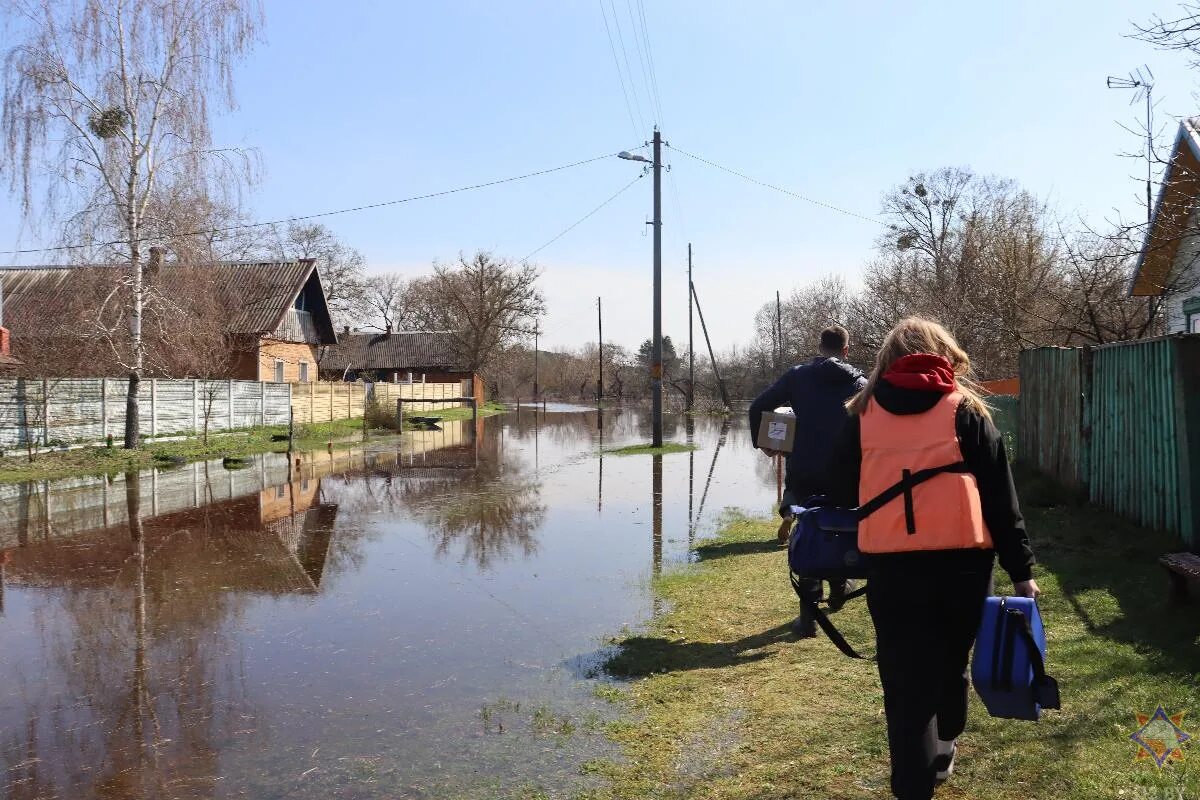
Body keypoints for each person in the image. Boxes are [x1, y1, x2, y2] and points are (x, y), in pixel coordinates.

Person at [825, 317, 1038, 800]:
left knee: (904, 685)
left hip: (893, 570)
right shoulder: (967, 412)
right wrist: (1021, 570)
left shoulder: (861, 414)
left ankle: (914, 786)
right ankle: (945, 742)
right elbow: (1001, 500)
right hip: (963, 569)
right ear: (946, 353)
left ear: (885, 360)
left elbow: (838, 486)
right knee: (949, 661)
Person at [748, 324, 866, 637]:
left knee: (809, 534)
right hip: (848, 473)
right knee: (843, 529)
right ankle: (840, 587)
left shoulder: (797, 377)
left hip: (804, 471)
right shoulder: (861, 382)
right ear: (846, 349)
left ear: (819, 346)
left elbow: (758, 405)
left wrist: (763, 443)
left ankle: (808, 618)